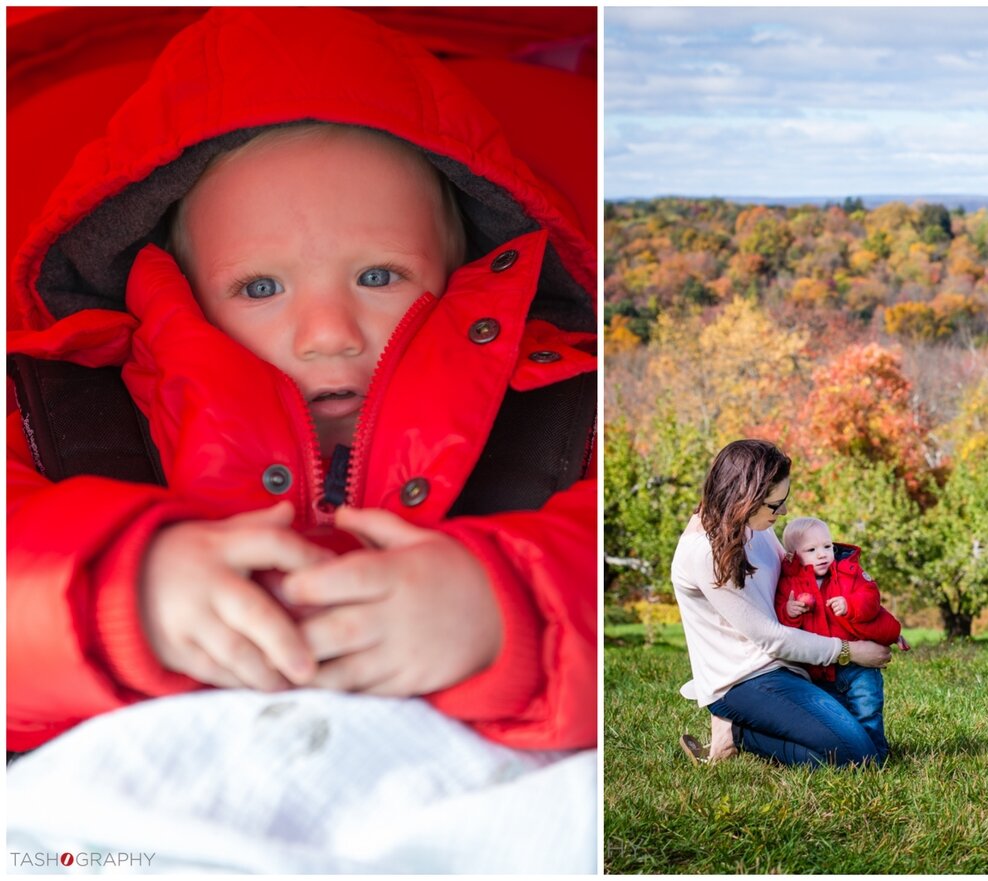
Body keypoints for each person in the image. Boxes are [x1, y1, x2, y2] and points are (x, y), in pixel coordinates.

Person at [7, 7, 597, 753]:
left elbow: (615, 572)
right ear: (176, 292)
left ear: (460, 278)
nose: (328, 332)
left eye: (378, 275)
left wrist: (506, 608)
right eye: (259, 288)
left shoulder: (564, 418)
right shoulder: (53, 416)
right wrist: (117, 596)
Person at [672, 440, 892, 767]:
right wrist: (850, 650)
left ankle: (751, 730)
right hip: (745, 680)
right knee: (860, 758)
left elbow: (794, 578)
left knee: (861, 738)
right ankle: (737, 732)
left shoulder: (752, 525)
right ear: (744, 499)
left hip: (789, 664)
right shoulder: (703, 553)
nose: (784, 512)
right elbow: (771, 638)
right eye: (776, 505)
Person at [776, 516, 907, 757]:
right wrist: (791, 612)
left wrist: (851, 605)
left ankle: (876, 754)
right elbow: (782, 627)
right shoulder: (789, 583)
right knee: (837, 715)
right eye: (811, 550)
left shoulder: (849, 572)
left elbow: (871, 600)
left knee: (868, 708)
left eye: (827, 546)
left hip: (859, 666)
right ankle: (850, 753)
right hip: (820, 670)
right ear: (794, 555)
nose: (822, 554)